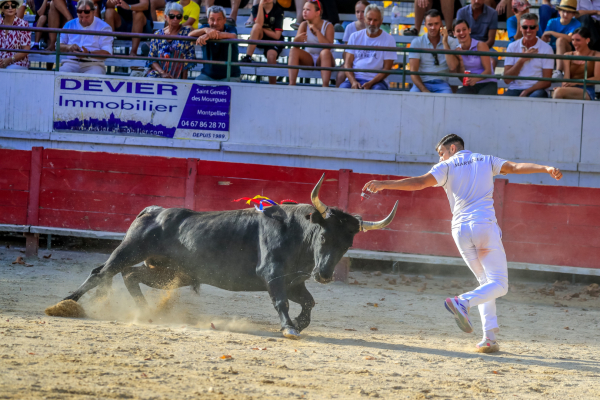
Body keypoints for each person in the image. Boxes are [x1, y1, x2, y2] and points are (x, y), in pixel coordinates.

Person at [362, 134, 563, 353]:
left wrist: (384, 184)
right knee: (500, 285)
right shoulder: (486, 160)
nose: (440, 158)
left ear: (453, 148)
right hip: (484, 227)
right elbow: (515, 167)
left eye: (441, 153)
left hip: (460, 230)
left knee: (486, 283)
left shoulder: (447, 167)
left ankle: (489, 338)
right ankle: (463, 301)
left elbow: (419, 182)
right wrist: (545, 168)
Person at [340, 4, 396, 90]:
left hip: (377, 81)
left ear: (381, 21)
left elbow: (387, 69)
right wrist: (353, 82)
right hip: (355, 78)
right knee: (342, 90)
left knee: (377, 91)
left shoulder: (389, 39)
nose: (372, 23)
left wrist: (371, 83)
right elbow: (347, 64)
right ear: (365, 19)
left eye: (375, 20)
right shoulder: (354, 36)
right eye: (369, 19)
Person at [503, 13, 553, 97]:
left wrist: (527, 91)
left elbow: (547, 81)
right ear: (520, 28)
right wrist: (522, 60)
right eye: (525, 27)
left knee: (535, 96)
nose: (528, 30)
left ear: (537, 28)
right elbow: (507, 80)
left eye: (532, 27)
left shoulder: (547, 48)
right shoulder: (512, 47)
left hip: (536, 89)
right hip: (515, 88)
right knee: (502, 103)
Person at [409, 10, 459, 94]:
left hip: (442, 84)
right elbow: (413, 71)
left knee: (447, 101)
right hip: (422, 83)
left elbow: (452, 67)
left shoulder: (450, 41)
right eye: (430, 24)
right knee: (411, 99)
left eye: (436, 24)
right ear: (425, 24)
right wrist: (424, 90)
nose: (433, 27)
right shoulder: (417, 42)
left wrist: (445, 42)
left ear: (441, 25)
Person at [58, 0, 113, 74]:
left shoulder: (104, 27)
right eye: (80, 17)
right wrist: (68, 47)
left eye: (87, 17)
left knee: (95, 76)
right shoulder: (69, 24)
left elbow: (107, 53)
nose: (83, 20)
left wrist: (88, 54)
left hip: (94, 65)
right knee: (61, 74)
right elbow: (58, 46)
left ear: (94, 12)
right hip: (71, 63)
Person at [287, 0, 334, 87]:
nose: (304, 12)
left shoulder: (328, 25)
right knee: (293, 50)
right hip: (309, 59)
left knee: (325, 52)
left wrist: (317, 32)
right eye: (303, 9)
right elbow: (296, 46)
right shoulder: (303, 25)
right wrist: (296, 40)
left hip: (324, 59)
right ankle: (291, 84)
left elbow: (328, 47)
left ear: (317, 13)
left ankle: (325, 86)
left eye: (308, 9)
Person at [190, 5, 240, 82]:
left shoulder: (231, 28)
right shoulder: (205, 27)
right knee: (195, 87)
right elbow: (190, 35)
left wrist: (208, 35)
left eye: (219, 19)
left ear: (224, 20)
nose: (215, 23)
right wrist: (205, 30)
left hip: (230, 76)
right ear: (208, 20)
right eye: (212, 19)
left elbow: (233, 36)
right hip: (207, 76)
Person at [145, 2, 195, 79]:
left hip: (177, 74)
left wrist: (184, 82)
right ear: (166, 17)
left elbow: (188, 59)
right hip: (159, 73)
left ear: (181, 18)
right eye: (172, 16)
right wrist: (162, 73)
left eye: (178, 16)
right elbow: (152, 59)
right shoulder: (157, 34)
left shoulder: (186, 32)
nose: (175, 19)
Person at [240, 0, 284, 85]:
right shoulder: (256, 8)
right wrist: (260, 5)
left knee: (271, 56)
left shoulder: (278, 10)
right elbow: (258, 24)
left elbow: (277, 36)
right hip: (260, 37)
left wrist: (263, 29)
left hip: (273, 41)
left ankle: (272, 86)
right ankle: (248, 57)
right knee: (256, 26)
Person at [452, 19, 497, 95]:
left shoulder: (481, 45)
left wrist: (476, 79)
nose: (462, 33)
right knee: (459, 95)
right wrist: (460, 60)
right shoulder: (457, 50)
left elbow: (488, 71)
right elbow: (462, 78)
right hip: (471, 86)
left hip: (488, 83)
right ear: (454, 34)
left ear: (469, 30)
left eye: (464, 29)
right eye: (458, 31)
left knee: (482, 97)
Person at [553, 27, 599, 100]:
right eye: (572, 40)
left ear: (587, 40)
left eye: (578, 40)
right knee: (557, 92)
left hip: (587, 90)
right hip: (571, 87)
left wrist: (576, 83)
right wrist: (564, 86)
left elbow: (597, 78)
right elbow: (566, 77)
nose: (574, 43)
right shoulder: (568, 55)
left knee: (559, 92)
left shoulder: (596, 55)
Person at [542, 0, 580, 74]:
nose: (565, 14)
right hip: (552, 50)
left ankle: (558, 71)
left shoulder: (577, 23)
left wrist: (551, 32)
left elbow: (569, 38)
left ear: (573, 14)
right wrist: (544, 38)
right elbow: (545, 38)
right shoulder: (552, 21)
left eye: (569, 12)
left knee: (560, 40)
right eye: (563, 11)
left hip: (569, 50)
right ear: (559, 11)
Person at [336, 0, 368, 87]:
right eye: (357, 12)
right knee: (341, 75)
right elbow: (346, 50)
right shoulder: (350, 27)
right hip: (351, 61)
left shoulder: (372, 27)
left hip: (367, 61)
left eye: (363, 12)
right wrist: (349, 62)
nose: (360, 15)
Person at [0, 0, 30, 69]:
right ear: (2, 9)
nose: (10, 8)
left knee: (11, 69)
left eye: (13, 5)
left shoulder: (23, 24)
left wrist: (9, 60)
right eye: (7, 6)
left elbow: (26, 49)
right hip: (1, 61)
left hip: (18, 62)